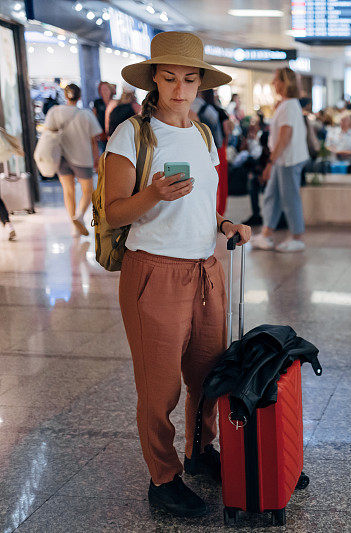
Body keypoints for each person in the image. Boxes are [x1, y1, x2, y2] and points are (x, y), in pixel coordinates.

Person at [104, 31, 251, 518]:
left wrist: (225, 224)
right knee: (159, 385)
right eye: (170, 78)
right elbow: (114, 214)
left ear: (202, 84)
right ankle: (163, 477)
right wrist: (154, 195)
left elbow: (204, 206)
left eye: (190, 79)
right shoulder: (132, 134)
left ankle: (199, 451)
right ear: (155, 81)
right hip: (155, 273)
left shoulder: (205, 135)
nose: (180, 88)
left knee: (207, 374)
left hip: (205, 270)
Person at [250, 67, 310, 253]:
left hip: (287, 160)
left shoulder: (290, 105)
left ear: (285, 83)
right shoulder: (286, 104)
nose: (273, 83)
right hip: (283, 159)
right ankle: (267, 234)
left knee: (290, 198)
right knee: (272, 195)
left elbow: (285, 135)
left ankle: (297, 237)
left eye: (276, 79)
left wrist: (270, 162)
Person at [43, 83, 103, 237]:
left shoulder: (54, 112)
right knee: (88, 191)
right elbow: (94, 141)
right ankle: (80, 216)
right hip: (82, 157)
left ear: (65, 95)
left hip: (62, 157)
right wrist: (96, 159)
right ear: (80, 96)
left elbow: (48, 133)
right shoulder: (86, 114)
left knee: (68, 191)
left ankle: (73, 225)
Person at [92, 81, 113, 151]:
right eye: (102, 89)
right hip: (101, 135)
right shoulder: (97, 102)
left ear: (110, 90)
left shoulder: (115, 103)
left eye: (106, 89)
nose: (104, 91)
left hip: (113, 134)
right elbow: (93, 118)